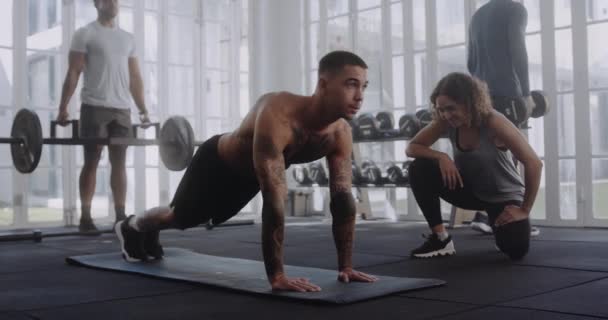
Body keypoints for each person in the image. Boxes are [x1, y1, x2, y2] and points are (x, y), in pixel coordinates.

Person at [114, 50, 378, 292]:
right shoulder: (277, 114)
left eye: (363, 86)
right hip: (217, 164)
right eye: (351, 84)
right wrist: (277, 276)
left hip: (248, 178)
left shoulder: (340, 133)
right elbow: (275, 201)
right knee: (180, 218)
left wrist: (346, 266)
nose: (360, 96)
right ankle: (131, 225)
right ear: (323, 84)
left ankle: (149, 231)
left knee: (193, 220)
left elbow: (342, 200)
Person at [406, 72, 543, 260]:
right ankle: (440, 239)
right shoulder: (446, 122)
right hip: (470, 191)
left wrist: (524, 210)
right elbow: (412, 147)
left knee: (515, 250)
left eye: (451, 108)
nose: (446, 114)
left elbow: (534, 163)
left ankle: (497, 222)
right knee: (419, 168)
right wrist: (441, 157)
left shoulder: (494, 121)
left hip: (502, 196)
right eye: (441, 109)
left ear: (469, 103)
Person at [56, 0, 150, 232]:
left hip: (122, 109)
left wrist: (143, 110)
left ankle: (119, 215)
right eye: (108, 0)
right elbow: (74, 71)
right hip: (94, 106)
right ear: (97, 4)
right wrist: (62, 108)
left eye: (116, 0)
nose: (114, 4)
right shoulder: (85, 33)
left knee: (119, 162)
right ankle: (86, 217)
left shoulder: (128, 38)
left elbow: (135, 78)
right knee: (92, 159)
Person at [468, 0, 541, 236]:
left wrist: (479, 89)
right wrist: (526, 93)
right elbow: (518, 48)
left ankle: (486, 214)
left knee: (491, 154)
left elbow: (471, 60)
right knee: (513, 155)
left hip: (480, 93)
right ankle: (508, 218)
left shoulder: (478, 14)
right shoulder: (515, 9)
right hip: (507, 91)